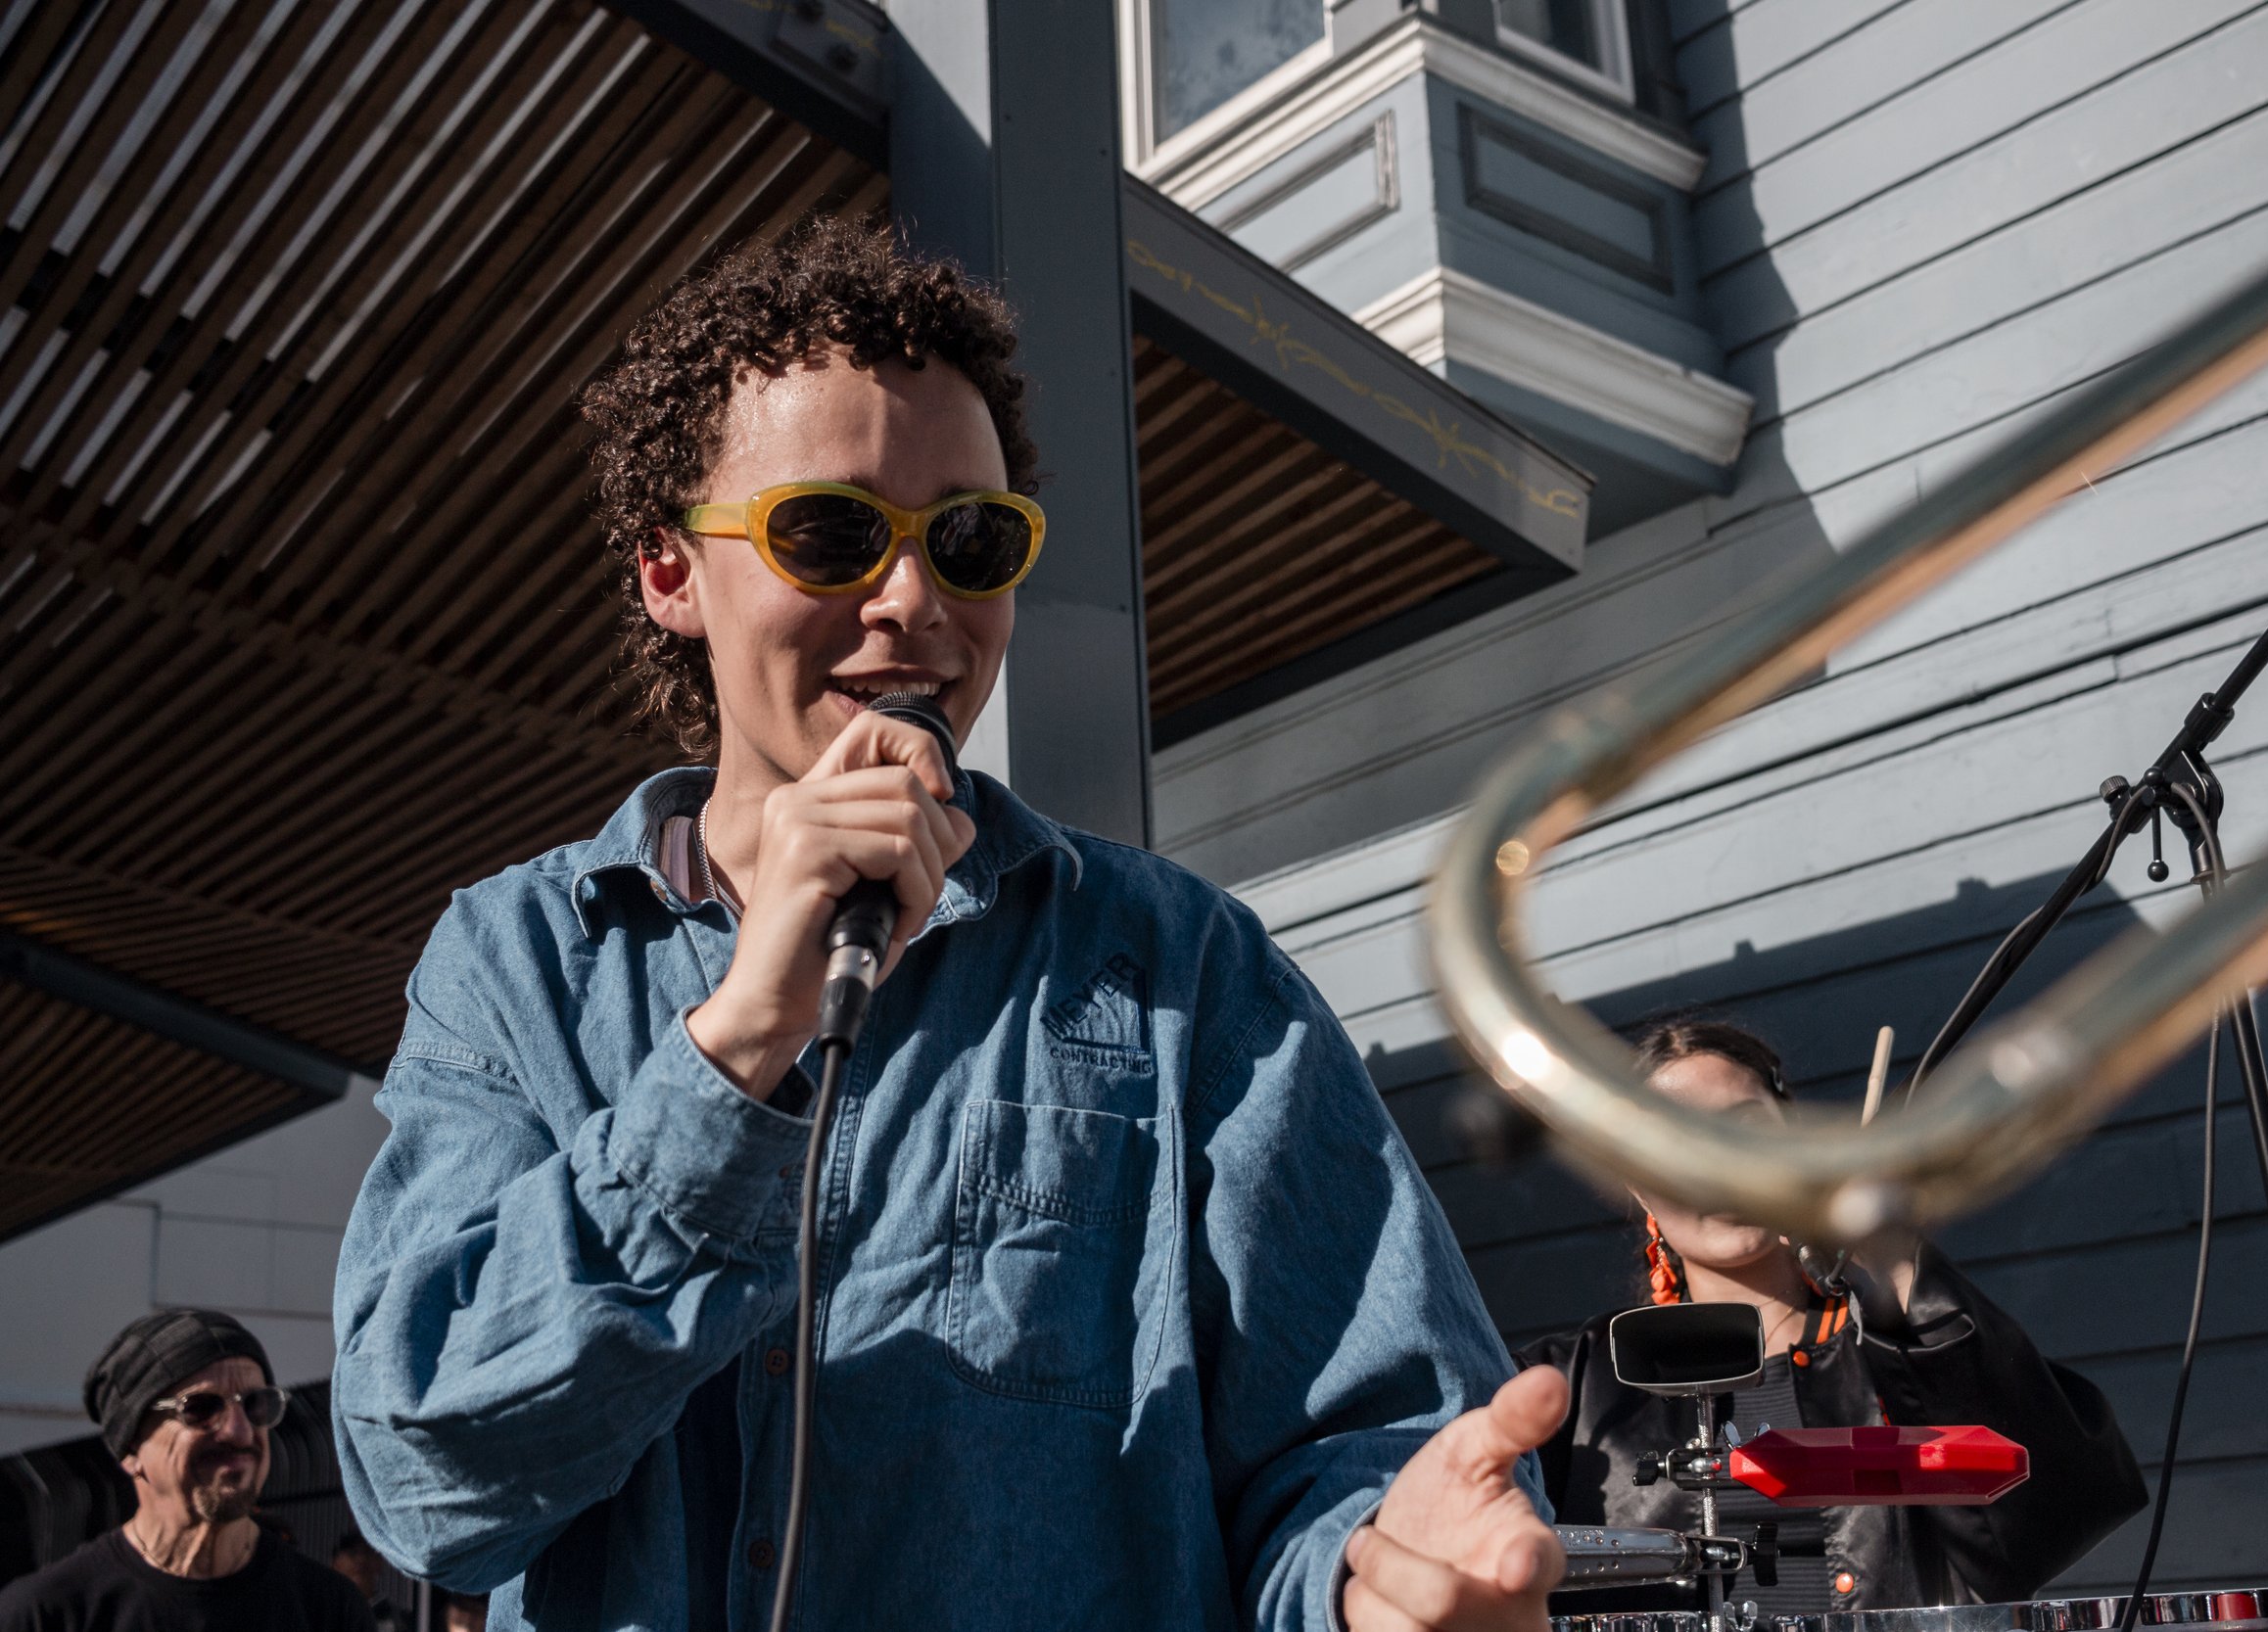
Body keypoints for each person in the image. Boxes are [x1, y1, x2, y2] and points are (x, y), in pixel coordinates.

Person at [329, 214, 1565, 1632]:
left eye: (972, 540)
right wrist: (736, 1047)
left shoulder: (1181, 965)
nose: (914, 599)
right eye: (831, 530)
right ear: (671, 572)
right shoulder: (517, 962)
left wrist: (1376, 1579)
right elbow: (425, 1476)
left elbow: (1358, 1447)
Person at [1517, 1018, 2147, 1618]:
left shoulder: (1911, 1347)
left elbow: (2053, 1512)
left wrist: (1896, 1264)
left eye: (1746, 1129)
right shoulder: (1569, 1384)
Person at [0, 1310, 376, 1632]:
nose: (239, 1431)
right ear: (130, 1448)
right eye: (201, 1407)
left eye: (256, 1404)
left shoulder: (329, 1611)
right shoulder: (44, 1615)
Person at [328, 1532, 403, 1631]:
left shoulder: (399, 1620)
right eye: (352, 1553)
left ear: (380, 1562)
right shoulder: (319, 1612)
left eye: (368, 1553)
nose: (361, 1560)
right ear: (335, 1563)